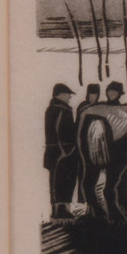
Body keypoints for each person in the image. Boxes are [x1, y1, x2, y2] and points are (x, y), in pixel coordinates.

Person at [44, 83, 78, 219]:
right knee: (60, 181)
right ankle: (59, 211)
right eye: (68, 94)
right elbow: (57, 132)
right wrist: (65, 151)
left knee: (61, 181)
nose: (70, 97)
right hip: (62, 153)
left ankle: (61, 210)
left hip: (61, 152)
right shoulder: (60, 109)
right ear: (61, 95)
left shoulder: (56, 108)